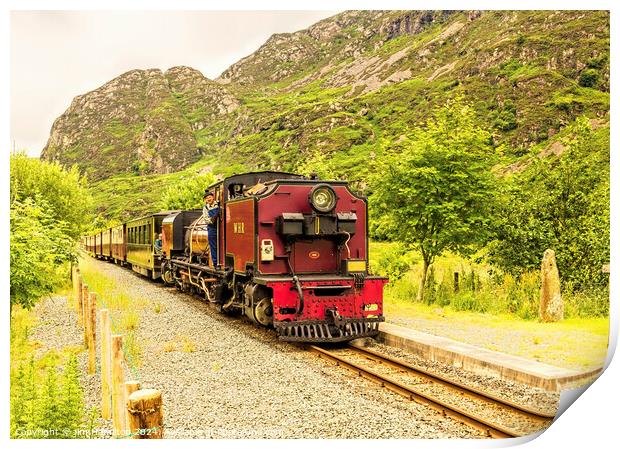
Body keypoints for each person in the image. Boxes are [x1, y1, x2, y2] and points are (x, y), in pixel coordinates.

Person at [202, 190, 220, 267]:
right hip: (212, 228)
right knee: (213, 246)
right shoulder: (205, 208)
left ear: (213, 197)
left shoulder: (218, 204)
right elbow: (206, 219)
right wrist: (213, 220)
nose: (208, 199)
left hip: (221, 226)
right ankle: (215, 264)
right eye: (206, 198)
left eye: (209, 197)